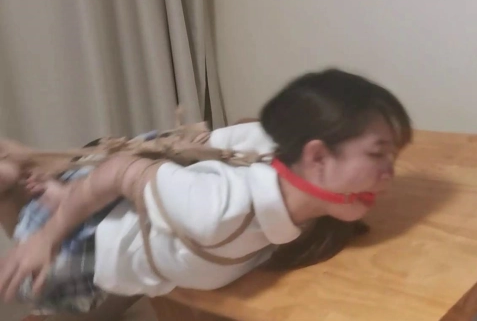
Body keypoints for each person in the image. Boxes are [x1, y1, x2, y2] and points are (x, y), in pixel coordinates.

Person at [0, 68, 412, 315]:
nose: (389, 174)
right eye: (378, 154)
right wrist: (46, 238)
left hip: (149, 206)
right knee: (31, 273)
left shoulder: (277, 146)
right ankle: (24, 184)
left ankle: (45, 186)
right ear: (317, 157)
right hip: (98, 243)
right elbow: (119, 170)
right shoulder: (216, 211)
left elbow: (208, 140)